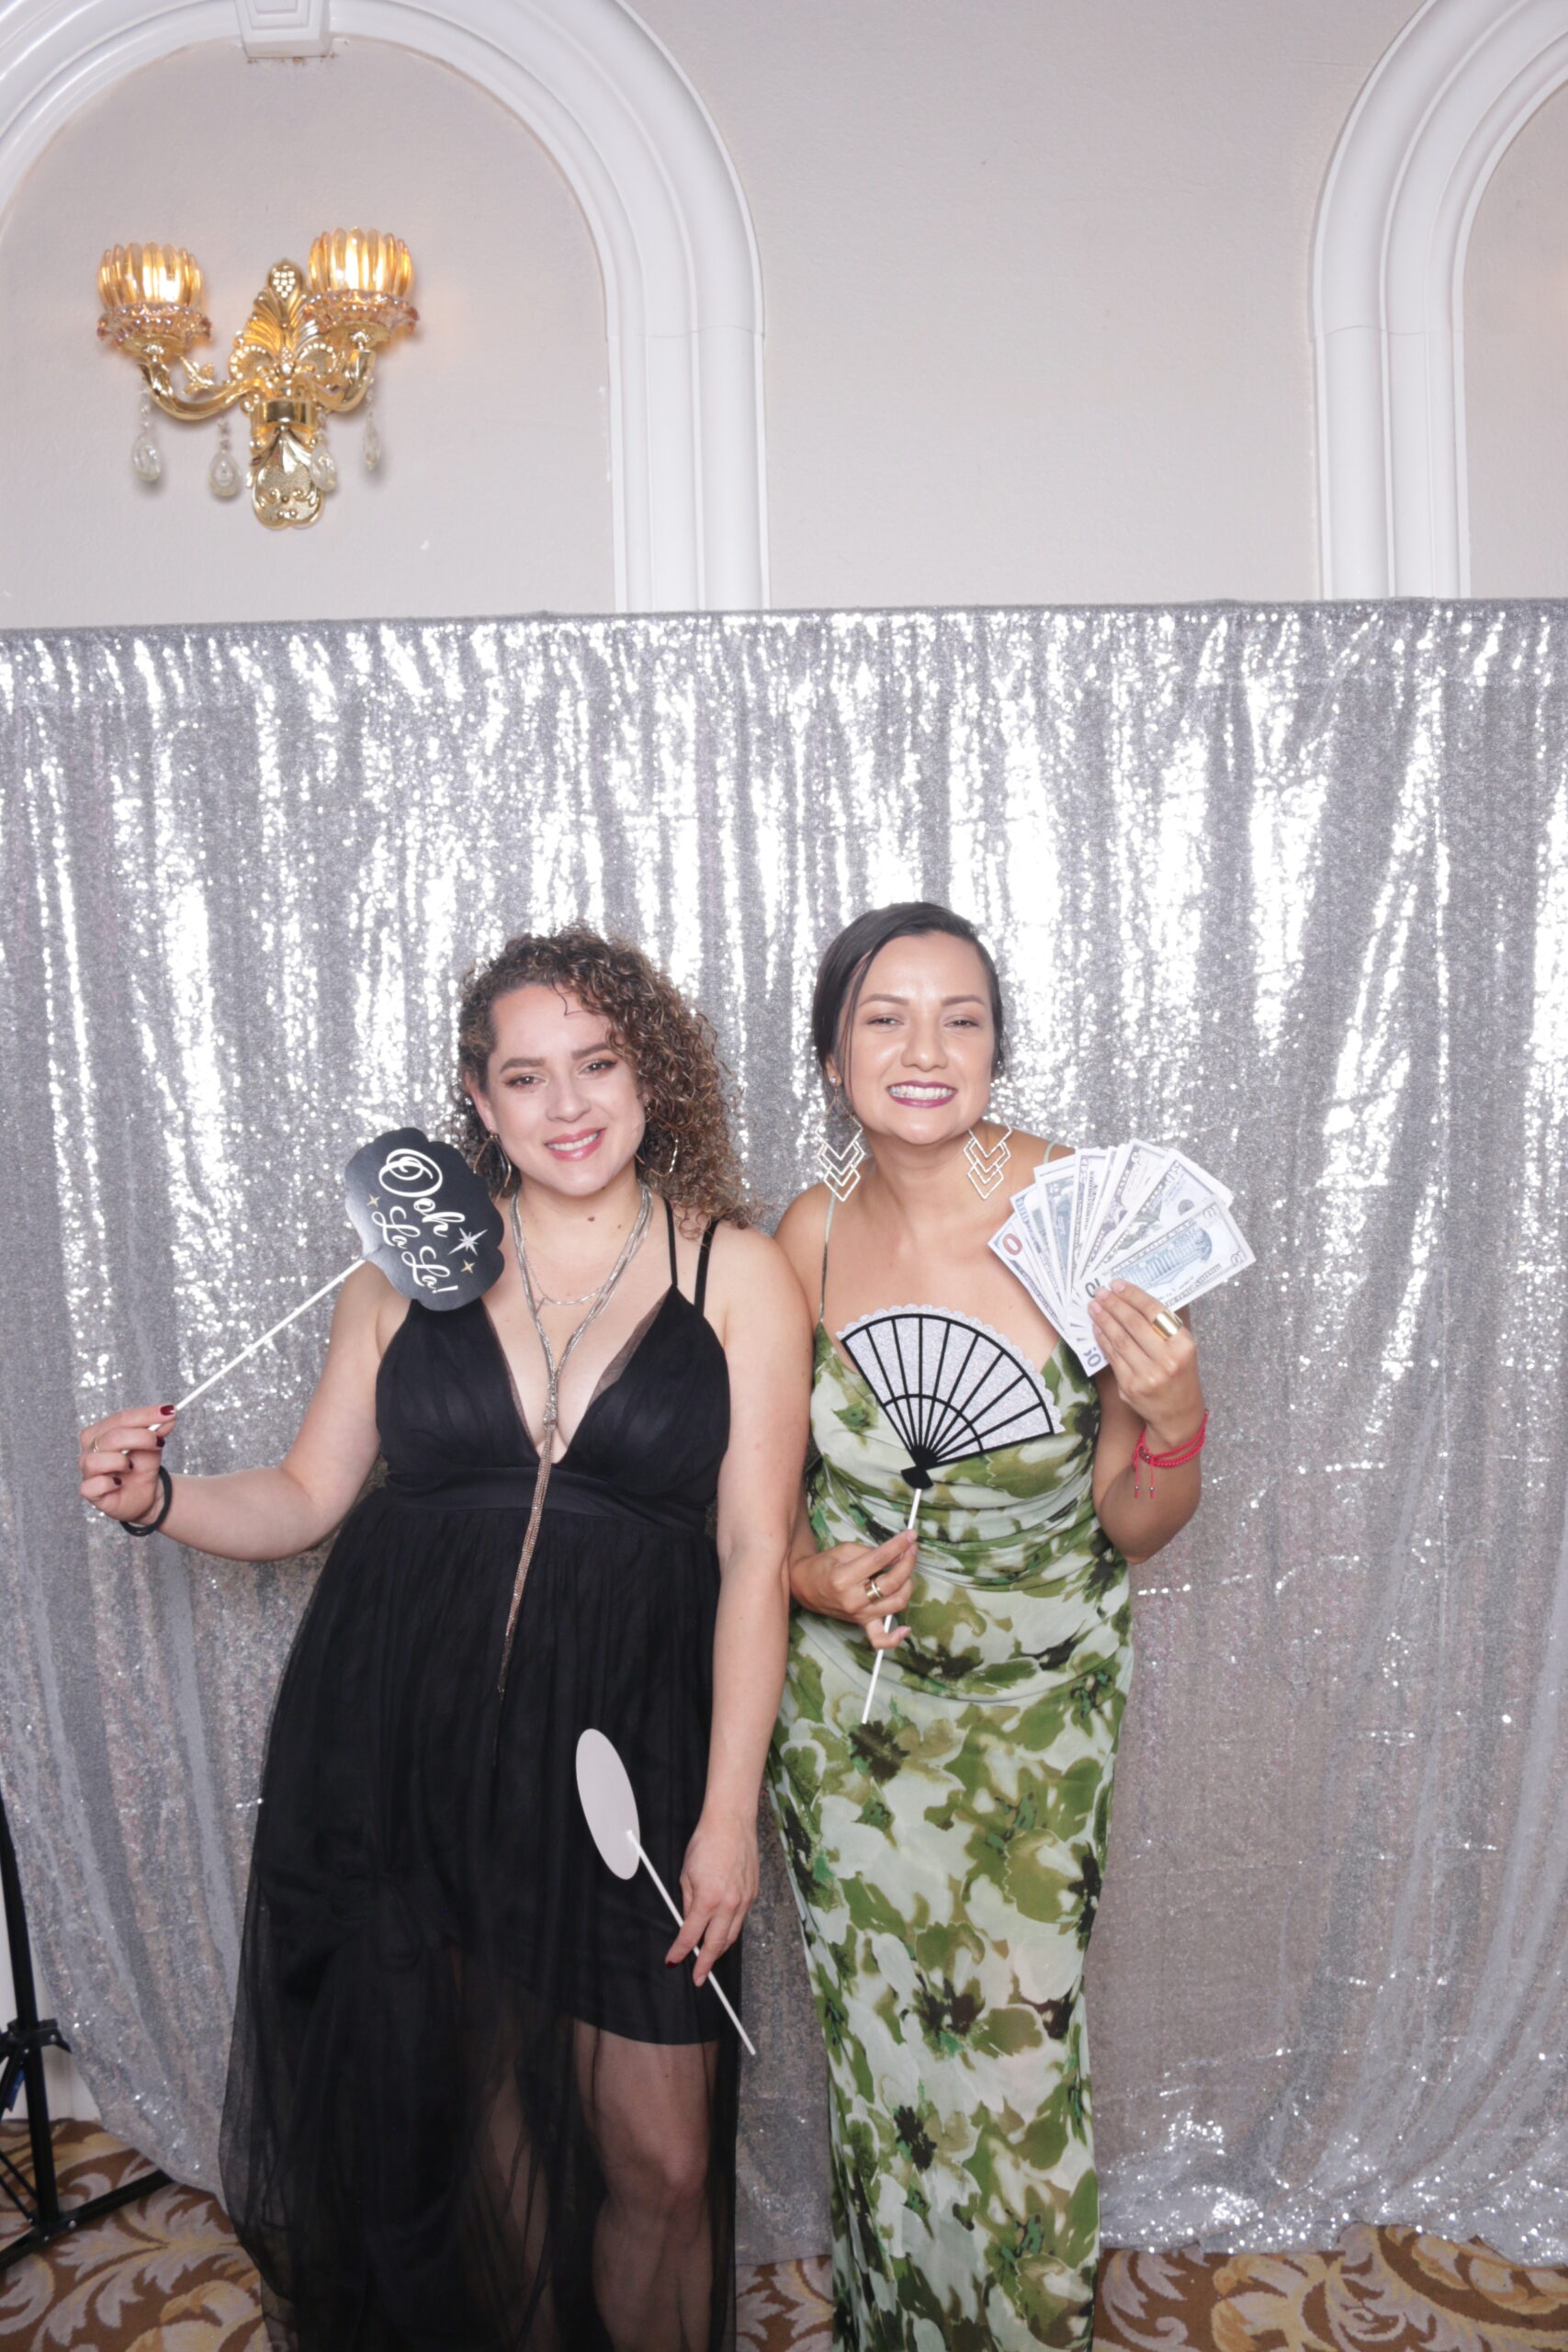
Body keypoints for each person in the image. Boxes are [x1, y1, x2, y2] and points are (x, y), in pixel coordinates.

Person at [78, 926, 810, 2352]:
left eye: (598, 1064)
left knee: (662, 2159)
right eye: (525, 1077)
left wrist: (727, 1816)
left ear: (650, 1074)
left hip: (626, 1758)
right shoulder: (402, 1275)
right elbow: (305, 1498)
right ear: (479, 1099)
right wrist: (158, 1499)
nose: (568, 1105)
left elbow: (752, 1553)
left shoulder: (739, 1273)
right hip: (405, 1743)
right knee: (481, 2142)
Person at [766, 902, 1207, 2352]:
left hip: (1034, 1714)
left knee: (1013, 2077)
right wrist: (810, 1579)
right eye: (885, 1017)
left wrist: (1177, 1420)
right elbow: (753, 1511)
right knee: (885, 2068)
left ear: (997, 1049)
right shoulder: (810, 1234)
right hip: (851, 1724)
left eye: (961, 1018)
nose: (926, 1049)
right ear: (833, 1057)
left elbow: (1137, 1525)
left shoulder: (1084, 1216)